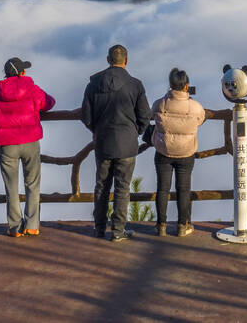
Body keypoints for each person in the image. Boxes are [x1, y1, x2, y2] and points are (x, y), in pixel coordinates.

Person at [82, 44, 152, 242]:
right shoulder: (135, 85)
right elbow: (145, 116)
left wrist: (96, 131)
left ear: (108, 60)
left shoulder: (93, 84)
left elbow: (86, 116)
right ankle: (118, 230)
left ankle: (99, 228)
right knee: (122, 188)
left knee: (101, 186)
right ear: (126, 61)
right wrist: (135, 132)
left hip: (103, 142)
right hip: (127, 144)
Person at [0, 57, 56, 238]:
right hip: (30, 141)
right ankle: (32, 225)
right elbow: (49, 102)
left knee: (11, 187)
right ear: (22, 72)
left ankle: (15, 227)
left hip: (6, 144)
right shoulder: (30, 87)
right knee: (32, 183)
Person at [150, 68, 206, 237]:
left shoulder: (160, 104)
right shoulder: (195, 107)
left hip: (163, 151)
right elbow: (201, 119)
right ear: (186, 86)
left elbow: (152, 115)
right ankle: (182, 226)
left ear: (170, 84)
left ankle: (161, 226)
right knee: (183, 189)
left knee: (162, 189)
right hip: (186, 152)